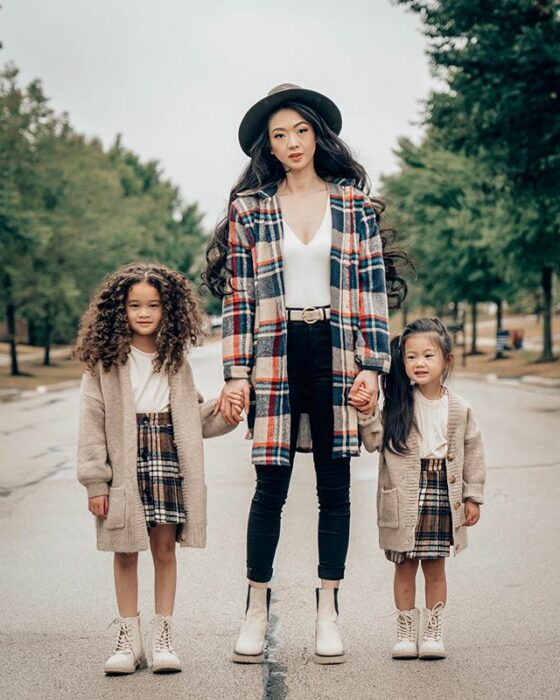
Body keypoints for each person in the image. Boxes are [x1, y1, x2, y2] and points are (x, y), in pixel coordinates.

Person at [202, 83, 407, 664]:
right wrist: (236, 373)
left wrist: (373, 365)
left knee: (335, 487)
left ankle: (328, 610)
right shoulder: (252, 209)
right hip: (275, 348)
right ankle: (255, 608)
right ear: (267, 147)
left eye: (301, 131)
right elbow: (238, 300)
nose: (292, 143)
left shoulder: (353, 206)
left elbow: (370, 292)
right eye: (279, 135)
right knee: (271, 482)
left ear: (319, 135)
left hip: (338, 348)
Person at [75, 262, 236, 675]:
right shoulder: (104, 362)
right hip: (125, 463)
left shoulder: (175, 360)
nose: (144, 313)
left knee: (164, 548)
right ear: (119, 310)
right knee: (125, 551)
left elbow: (193, 420)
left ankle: (164, 637)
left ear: (169, 310)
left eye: (154, 305)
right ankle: (129, 642)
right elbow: (92, 423)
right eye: (134, 305)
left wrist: (226, 413)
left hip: (168, 456)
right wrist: (97, 481)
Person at [359, 318, 486, 659]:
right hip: (403, 494)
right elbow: (373, 442)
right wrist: (368, 412)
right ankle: (405, 633)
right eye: (411, 357)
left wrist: (472, 496)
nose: (419, 363)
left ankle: (433, 632)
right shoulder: (398, 405)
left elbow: (473, 449)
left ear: (447, 359)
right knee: (403, 566)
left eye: (428, 356)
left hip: (441, 491)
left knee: (434, 567)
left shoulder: (459, 407)